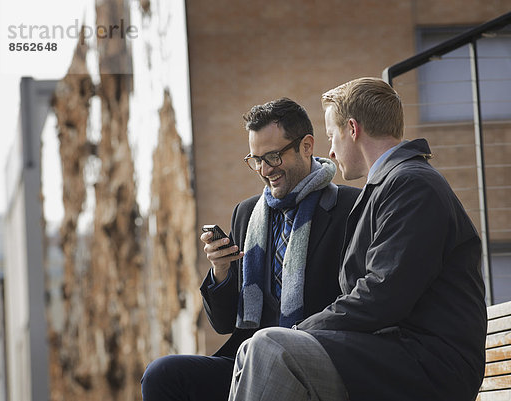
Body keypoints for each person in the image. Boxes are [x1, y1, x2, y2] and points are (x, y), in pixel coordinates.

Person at [228, 78, 488, 401]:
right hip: (393, 353)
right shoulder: (390, 185)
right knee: (252, 350)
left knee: (272, 348)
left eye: (331, 137)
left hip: (431, 366)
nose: (332, 151)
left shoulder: (412, 185)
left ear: (352, 129)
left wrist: (299, 331)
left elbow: (381, 295)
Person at [141, 97, 361, 401]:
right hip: (245, 359)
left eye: (272, 156)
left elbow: (358, 302)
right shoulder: (246, 214)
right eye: (255, 159)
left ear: (307, 146)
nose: (263, 169)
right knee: (162, 374)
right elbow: (222, 324)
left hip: (311, 358)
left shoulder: (351, 208)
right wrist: (220, 272)